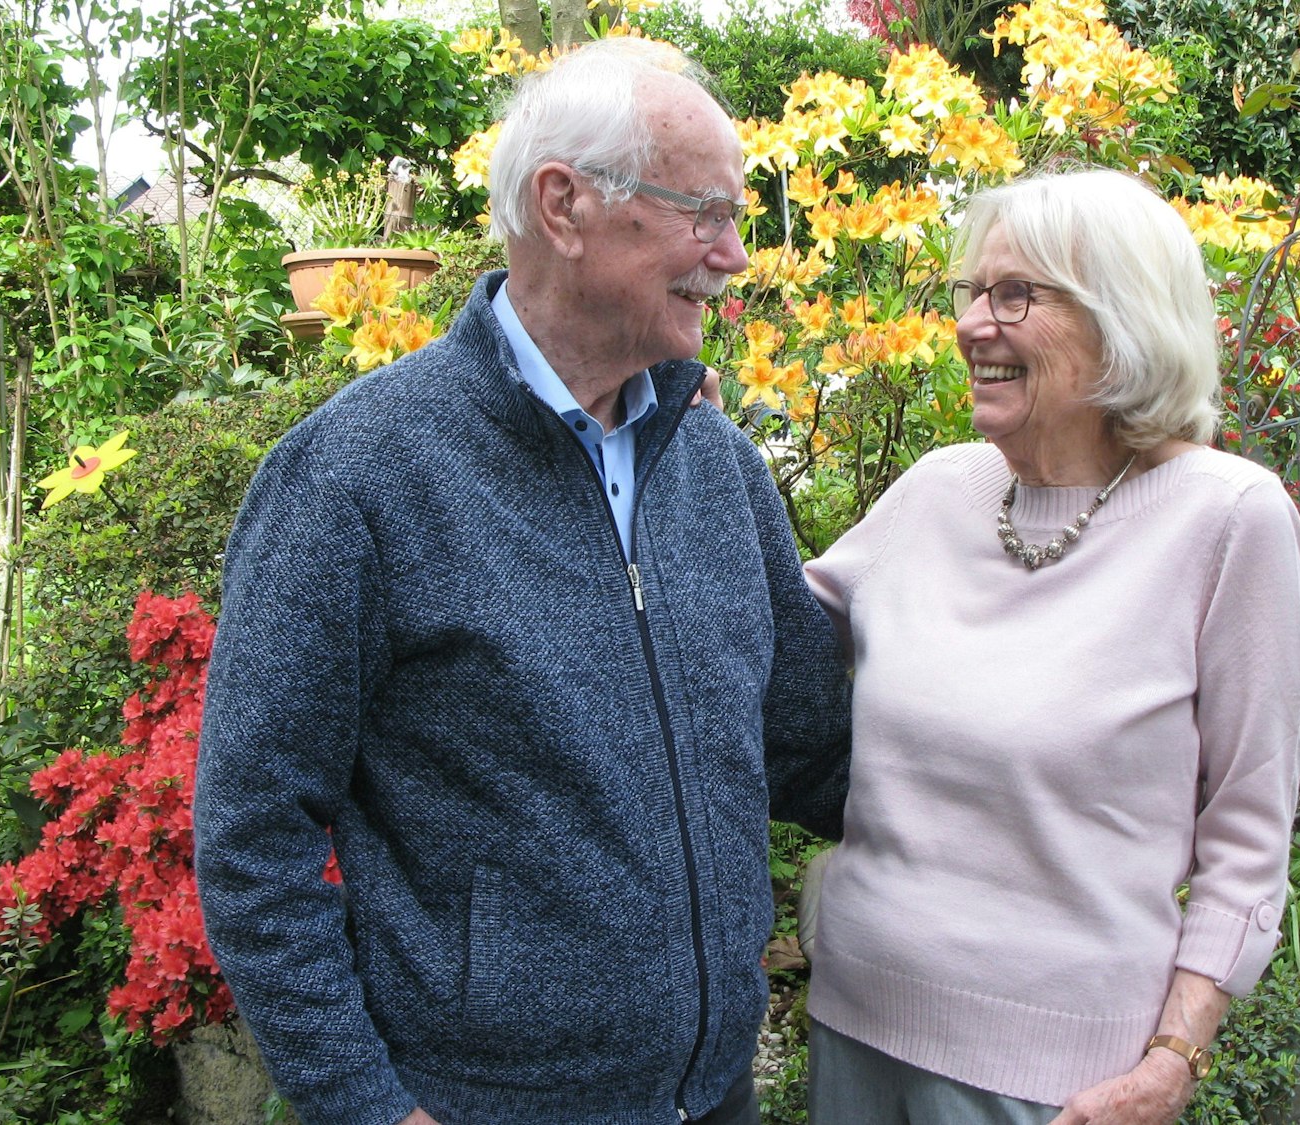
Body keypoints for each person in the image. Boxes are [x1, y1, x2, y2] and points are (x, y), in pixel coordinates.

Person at [192, 38, 852, 1125]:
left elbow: (810, 751)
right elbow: (254, 835)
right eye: (705, 214)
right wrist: (366, 1107)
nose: (734, 256)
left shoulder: (719, 470)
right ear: (563, 205)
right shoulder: (359, 476)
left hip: (713, 1096)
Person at [800, 168, 1300, 1125]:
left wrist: (1173, 1057)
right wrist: (684, 447)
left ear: (1121, 322)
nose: (972, 325)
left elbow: (1248, 832)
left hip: (1056, 1080)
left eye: (1014, 296)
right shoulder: (937, 489)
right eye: (973, 292)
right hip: (855, 1027)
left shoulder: (1227, 517)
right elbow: (757, 638)